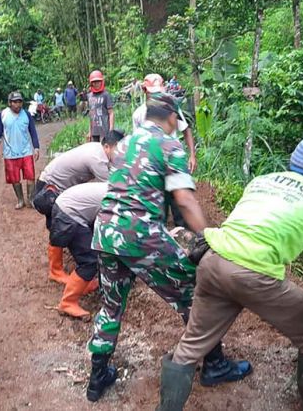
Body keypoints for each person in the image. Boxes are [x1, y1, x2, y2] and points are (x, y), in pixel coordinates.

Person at [156, 134, 303, 411]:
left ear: (294, 160)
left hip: (213, 259)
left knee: (192, 343)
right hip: (253, 275)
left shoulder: (262, 180)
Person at [86, 93, 249, 402]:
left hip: (105, 231)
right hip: (141, 235)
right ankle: (213, 364)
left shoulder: (122, 145)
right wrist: (212, 238)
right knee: (195, 289)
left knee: (110, 306)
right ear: (172, 118)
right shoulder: (169, 145)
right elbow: (184, 200)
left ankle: (97, 379)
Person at [33, 130, 125, 284]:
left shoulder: (96, 149)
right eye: (119, 150)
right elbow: (114, 189)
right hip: (50, 189)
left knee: (63, 226)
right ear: (108, 147)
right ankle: (56, 270)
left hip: (56, 188)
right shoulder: (98, 158)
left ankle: (67, 263)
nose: (121, 155)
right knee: (59, 226)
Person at [133, 74, 197, 228]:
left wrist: (192, 155)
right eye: (153, 93)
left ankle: (187, 241)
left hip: (174, 165)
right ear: (146, 92)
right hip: (153, 168)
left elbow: (185, 130)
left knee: (181, 212)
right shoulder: (139, 114)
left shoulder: (172, 108)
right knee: (157, 214)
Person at [51, 182, 108, 318]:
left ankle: (84, 283)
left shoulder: (120, 188)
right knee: (90, 260)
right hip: (69, 214)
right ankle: (67, 303)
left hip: (65, 206)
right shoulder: (123, 199)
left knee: (91, 250)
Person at [0, 91, 40, 209]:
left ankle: (30, 199)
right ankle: (20, 199)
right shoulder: (3, 115)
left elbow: (33, 132)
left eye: (19, 102)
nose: (17, 105)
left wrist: (36, 147)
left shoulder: (26, 115)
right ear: (10, 103)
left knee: (30, 176)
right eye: (15, 102)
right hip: (10, 153)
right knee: (14, 179)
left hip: (26, 151)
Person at [86, 70, 114, 142]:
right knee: (95, 151)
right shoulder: (89, 96)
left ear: (101, 82)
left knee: (104, 150)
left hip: (105, 129)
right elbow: (91, 115)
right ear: (91, 83)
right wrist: (90, 131)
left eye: (98, 81)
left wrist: (111, 129)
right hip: (94, 131)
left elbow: (111, 113)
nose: (96, 84)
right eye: (94, 82)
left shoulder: (106, 95)